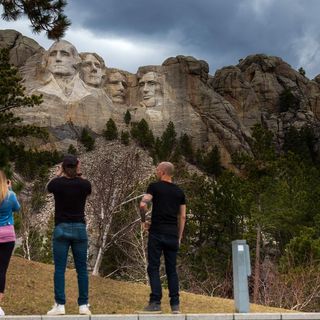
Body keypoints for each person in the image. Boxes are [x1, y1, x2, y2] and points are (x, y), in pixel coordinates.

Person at [46, 155, 92, 316]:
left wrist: (58, 173)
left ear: (63, 167)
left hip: (61, 228)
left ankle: (60, 305)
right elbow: (88, 188)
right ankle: (83, 305)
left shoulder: (57, 184)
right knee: (82, 270)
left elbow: (48, 187)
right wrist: (78, 173)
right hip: (79, 228)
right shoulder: (84, 184)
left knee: (59, 269)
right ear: (77, 166)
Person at [139, 162, 186, 314]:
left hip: (157, 232)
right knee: (171, 270)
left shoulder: (154, 186)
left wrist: (143, 221)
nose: (156, 171)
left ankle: (155, 302)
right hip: (172, 234)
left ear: (163, 172)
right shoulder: (180, 192)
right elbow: (183, 216)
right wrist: (179, 237)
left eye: (158, 170)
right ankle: (175, 305)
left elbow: (142, 205)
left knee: (153, 267)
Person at [0, 170, 21, 317]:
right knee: (1, 270)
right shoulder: (10, 195)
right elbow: (17, 208)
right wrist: (11, 189)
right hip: (7, 236)